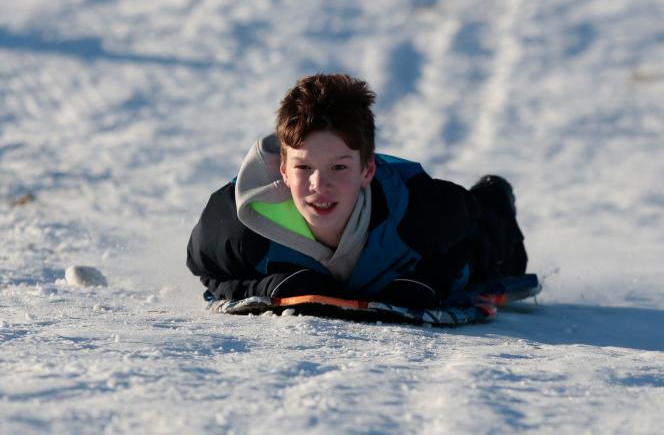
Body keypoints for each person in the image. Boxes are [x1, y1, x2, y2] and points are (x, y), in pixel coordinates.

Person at [186, 73, 527, 309]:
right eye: (304, 168)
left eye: (339, 167)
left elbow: (461, 250)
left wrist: (429, 282)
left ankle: (494, 194)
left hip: (466, 223)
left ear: (367, 170)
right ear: (283, 171)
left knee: (495, 249)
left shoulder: (420, 210)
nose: (320, 185)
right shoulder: (237, 223)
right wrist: (267, 287)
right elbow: (210, 272)